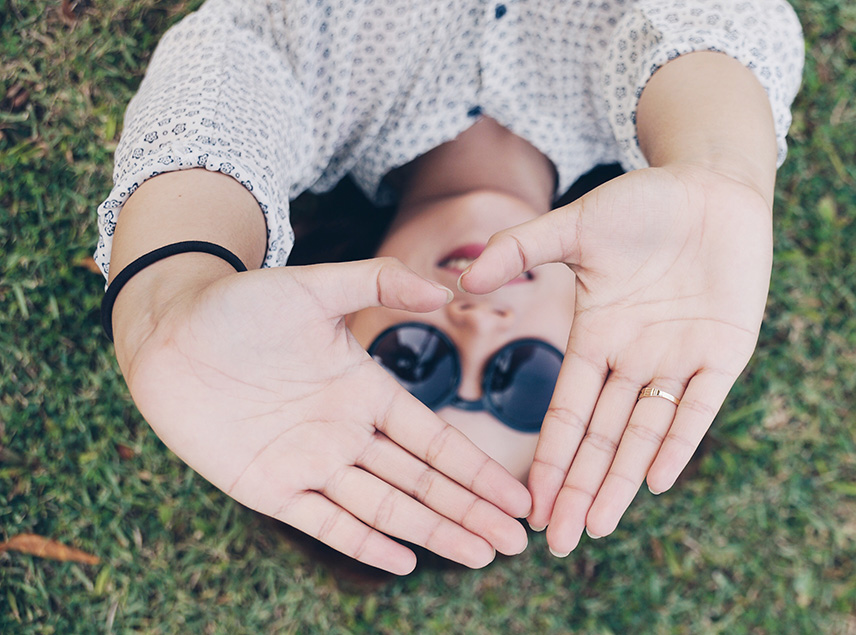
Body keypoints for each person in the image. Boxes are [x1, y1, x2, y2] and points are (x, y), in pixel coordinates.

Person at [96, 0, 805, 575]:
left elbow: (228, 79)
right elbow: (722, 23)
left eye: (413, 361)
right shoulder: (647, 109)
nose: (479, 325)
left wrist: (165, 293)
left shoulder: (312, 94)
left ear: (338, 329)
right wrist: (721, 164)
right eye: (525, 376)